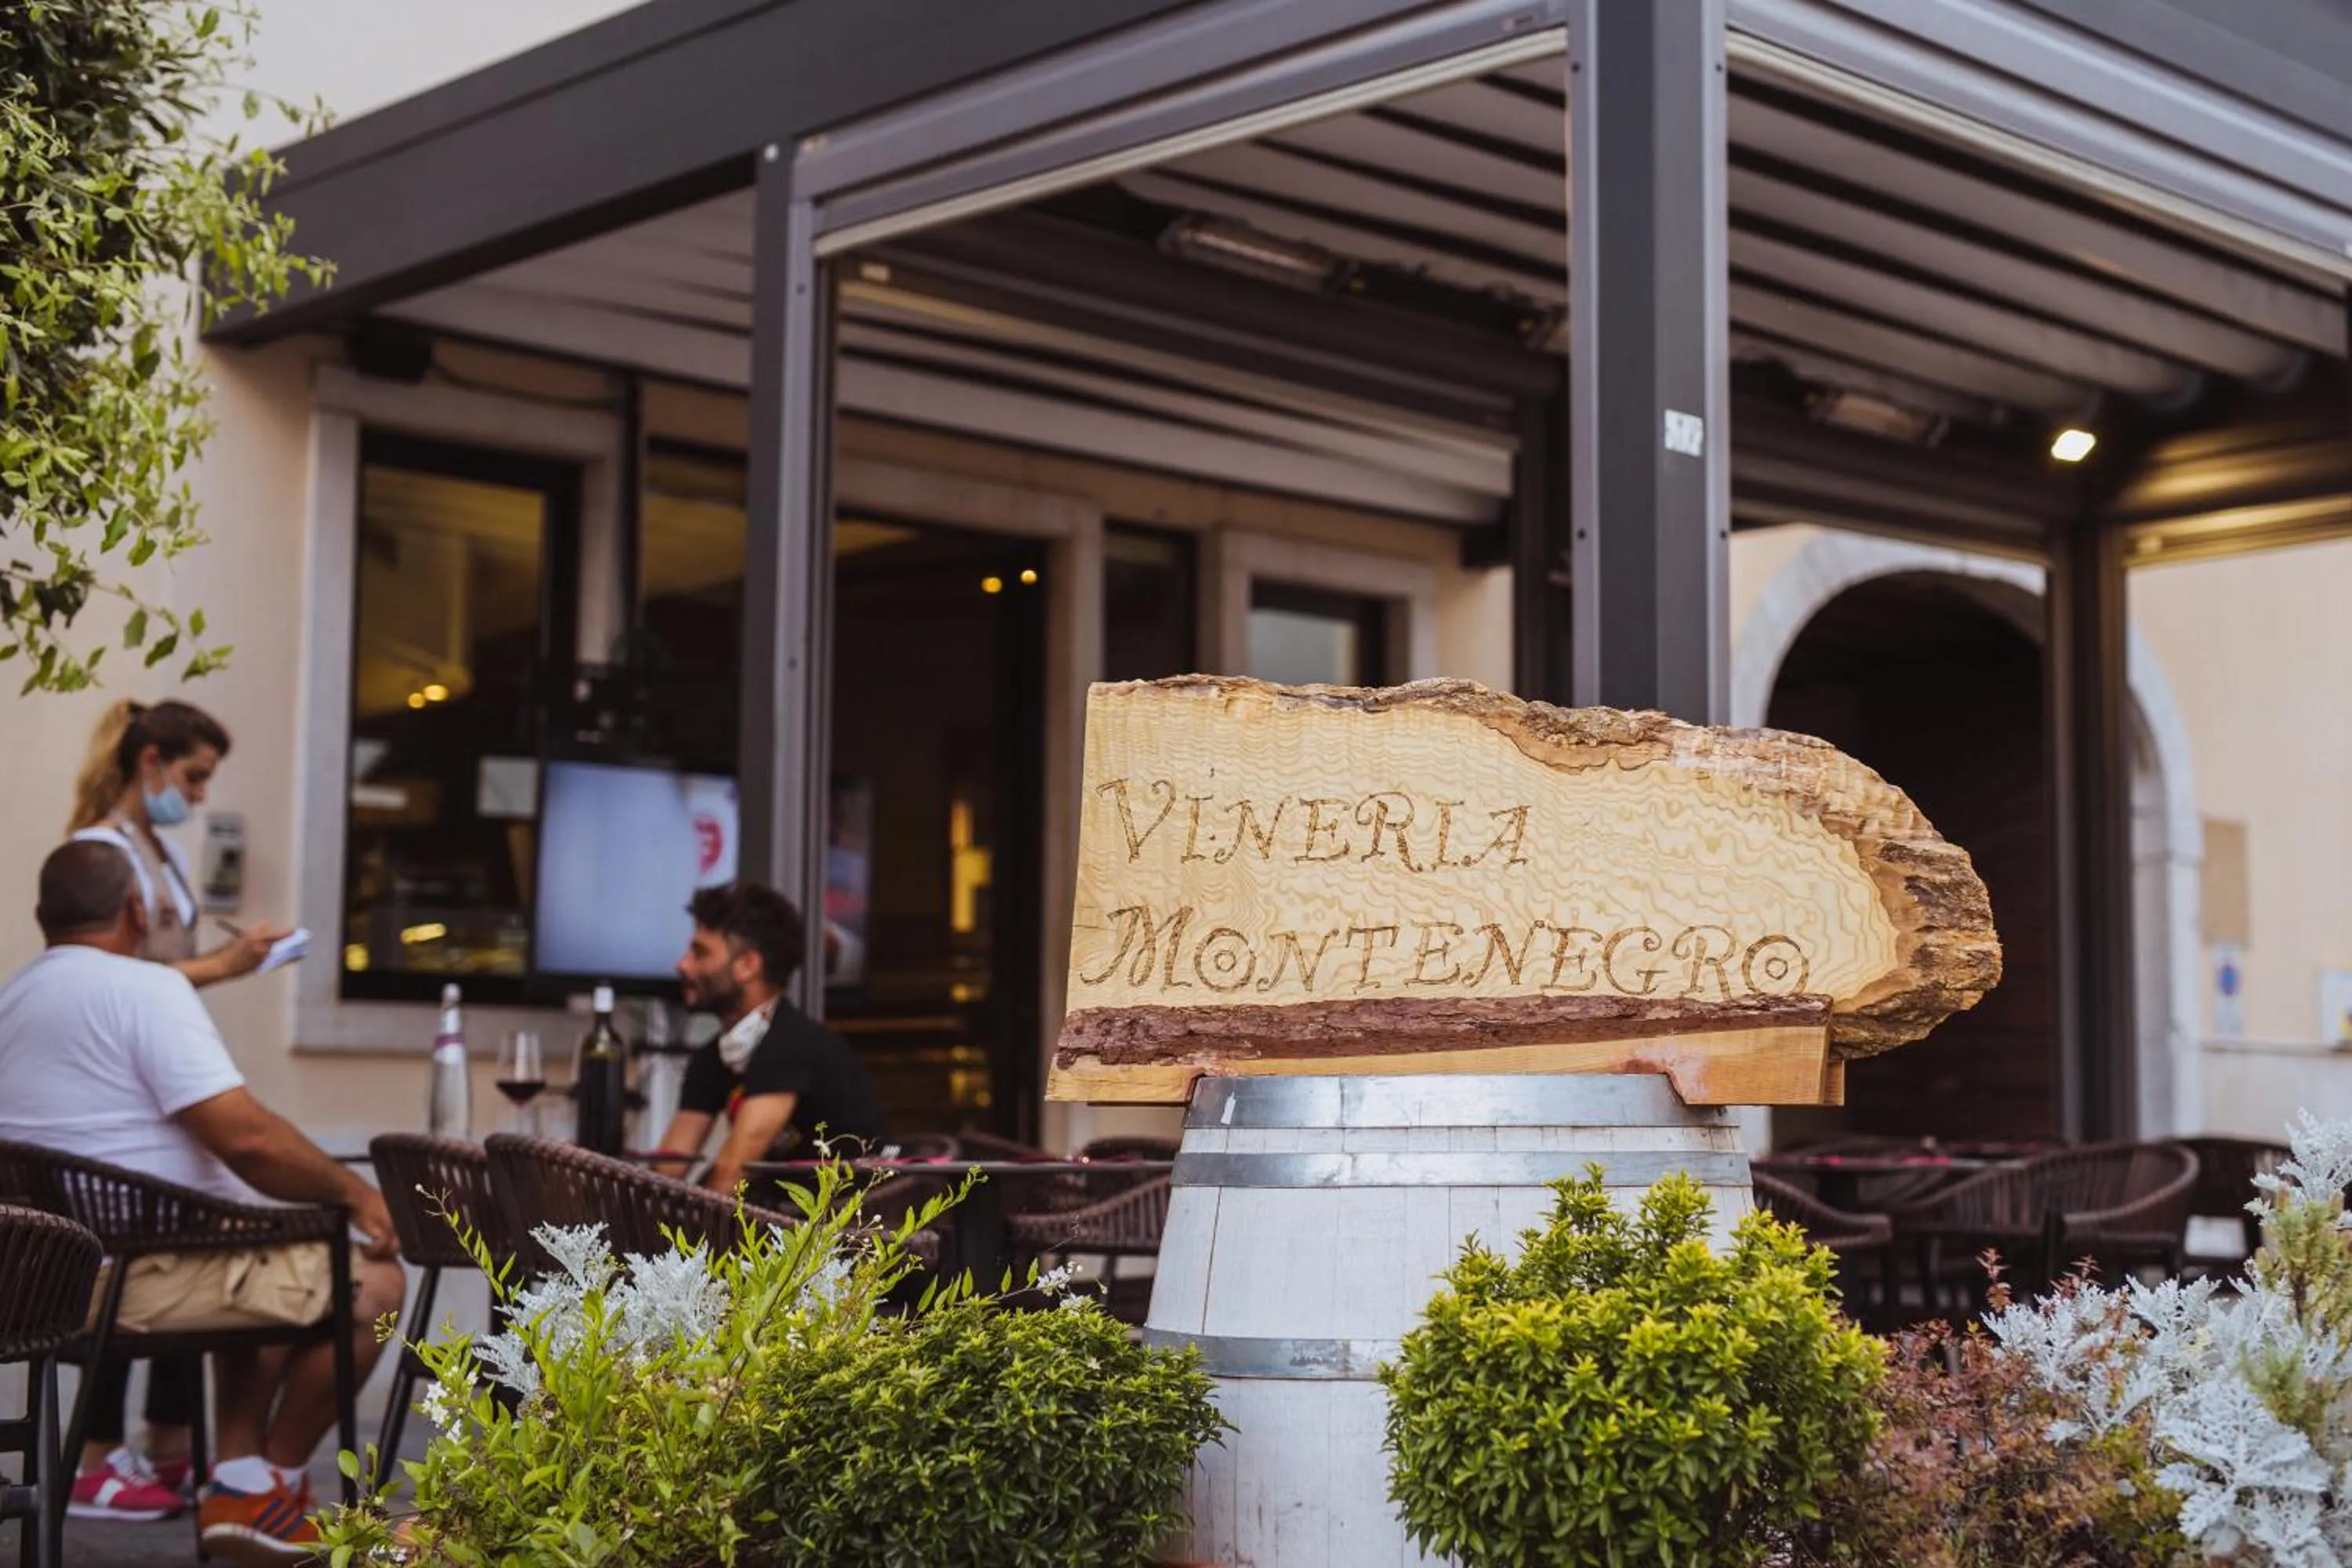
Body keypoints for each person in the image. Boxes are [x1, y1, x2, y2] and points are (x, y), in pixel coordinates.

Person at [0, 843, 405, 1566]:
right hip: (139, 1279)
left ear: (43, 917)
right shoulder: (146, 989)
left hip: (46, 1284)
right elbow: (247, 1139)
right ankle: (266, 1486)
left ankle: (242, 1479)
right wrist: (358, 1195)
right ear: (134, 910)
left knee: (271, 1249)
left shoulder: (15, 998)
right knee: (376, 1285)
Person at [61, 699, 295, 1519]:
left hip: (159, 1076)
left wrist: (228, 963)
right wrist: (225, 964)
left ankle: (166, 1443)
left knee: (178, 1243)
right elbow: (116, 974)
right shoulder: (99, 852)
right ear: (150, 759)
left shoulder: (155, 851)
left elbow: (163, 969)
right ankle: (92, 1459)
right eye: (193, 776)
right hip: (120, 1087)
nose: (197, 796)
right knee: (125, 1255)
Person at [655, 881, 888, 1195]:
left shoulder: (792, 1045)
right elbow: (664, 1172)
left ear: (748, 965)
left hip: (847, 1230)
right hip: (783, 1228)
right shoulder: (714, 1057)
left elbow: (730, 1177)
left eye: (700, 953)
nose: (682, 964)